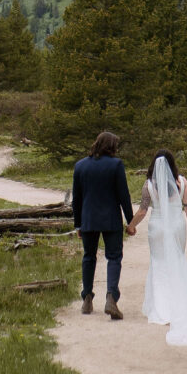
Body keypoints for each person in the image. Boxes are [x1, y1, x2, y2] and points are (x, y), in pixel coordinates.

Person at [126, 149, 187, 347]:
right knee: (178, 261)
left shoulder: (149, 185)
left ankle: (161, 307)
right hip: (177, 226)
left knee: (159, 263)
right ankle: (181, 306)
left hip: (157, 227)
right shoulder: (182, 182)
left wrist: (131, 225)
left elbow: (143, 210)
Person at [72, 131, 135, 320]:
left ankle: (87, 298)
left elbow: (77, 199)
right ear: (111, 146)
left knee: (89, 257)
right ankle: (111, 297)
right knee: (114, 257)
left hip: (88, 219)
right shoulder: (116, 165)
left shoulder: (80, 166)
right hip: (110, 219)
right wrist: (130, 222)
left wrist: (78, 225)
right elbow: (124, 195)